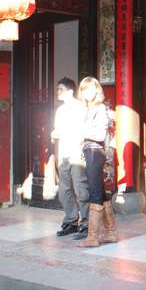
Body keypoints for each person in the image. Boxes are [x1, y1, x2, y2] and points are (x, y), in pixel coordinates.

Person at [77, 76, 117, 247]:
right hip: (90, 150)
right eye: (83, 89)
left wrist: (82, 132)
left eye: (90, 88)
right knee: (100, 191)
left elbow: (100, 135)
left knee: (94, 191)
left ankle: (92, 237)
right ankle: (111, 232)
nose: (86, 92)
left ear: (97, 89)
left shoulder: (100, 108)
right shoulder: (88, 108)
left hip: (94, 150)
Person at [51, 77, 89, 239]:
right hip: (64, 152)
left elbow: (83, 130)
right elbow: (57, 130)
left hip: (77, 151)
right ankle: (71, 220)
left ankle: (86, 224)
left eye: (61, 89)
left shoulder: (80, 107)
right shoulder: (60, 110)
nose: (58, 92)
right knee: (64, 189)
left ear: (70, 91)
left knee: (81, 188)